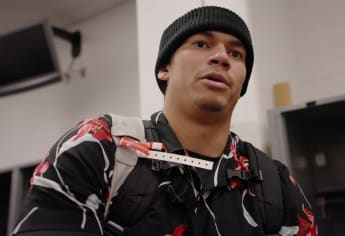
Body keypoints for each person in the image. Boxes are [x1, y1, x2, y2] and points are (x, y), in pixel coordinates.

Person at [12, 6, 317, 236]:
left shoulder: (273, 183)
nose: (222, 57)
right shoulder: (102, 148)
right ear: (164, 69)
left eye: (236, 54)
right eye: (201, 44)